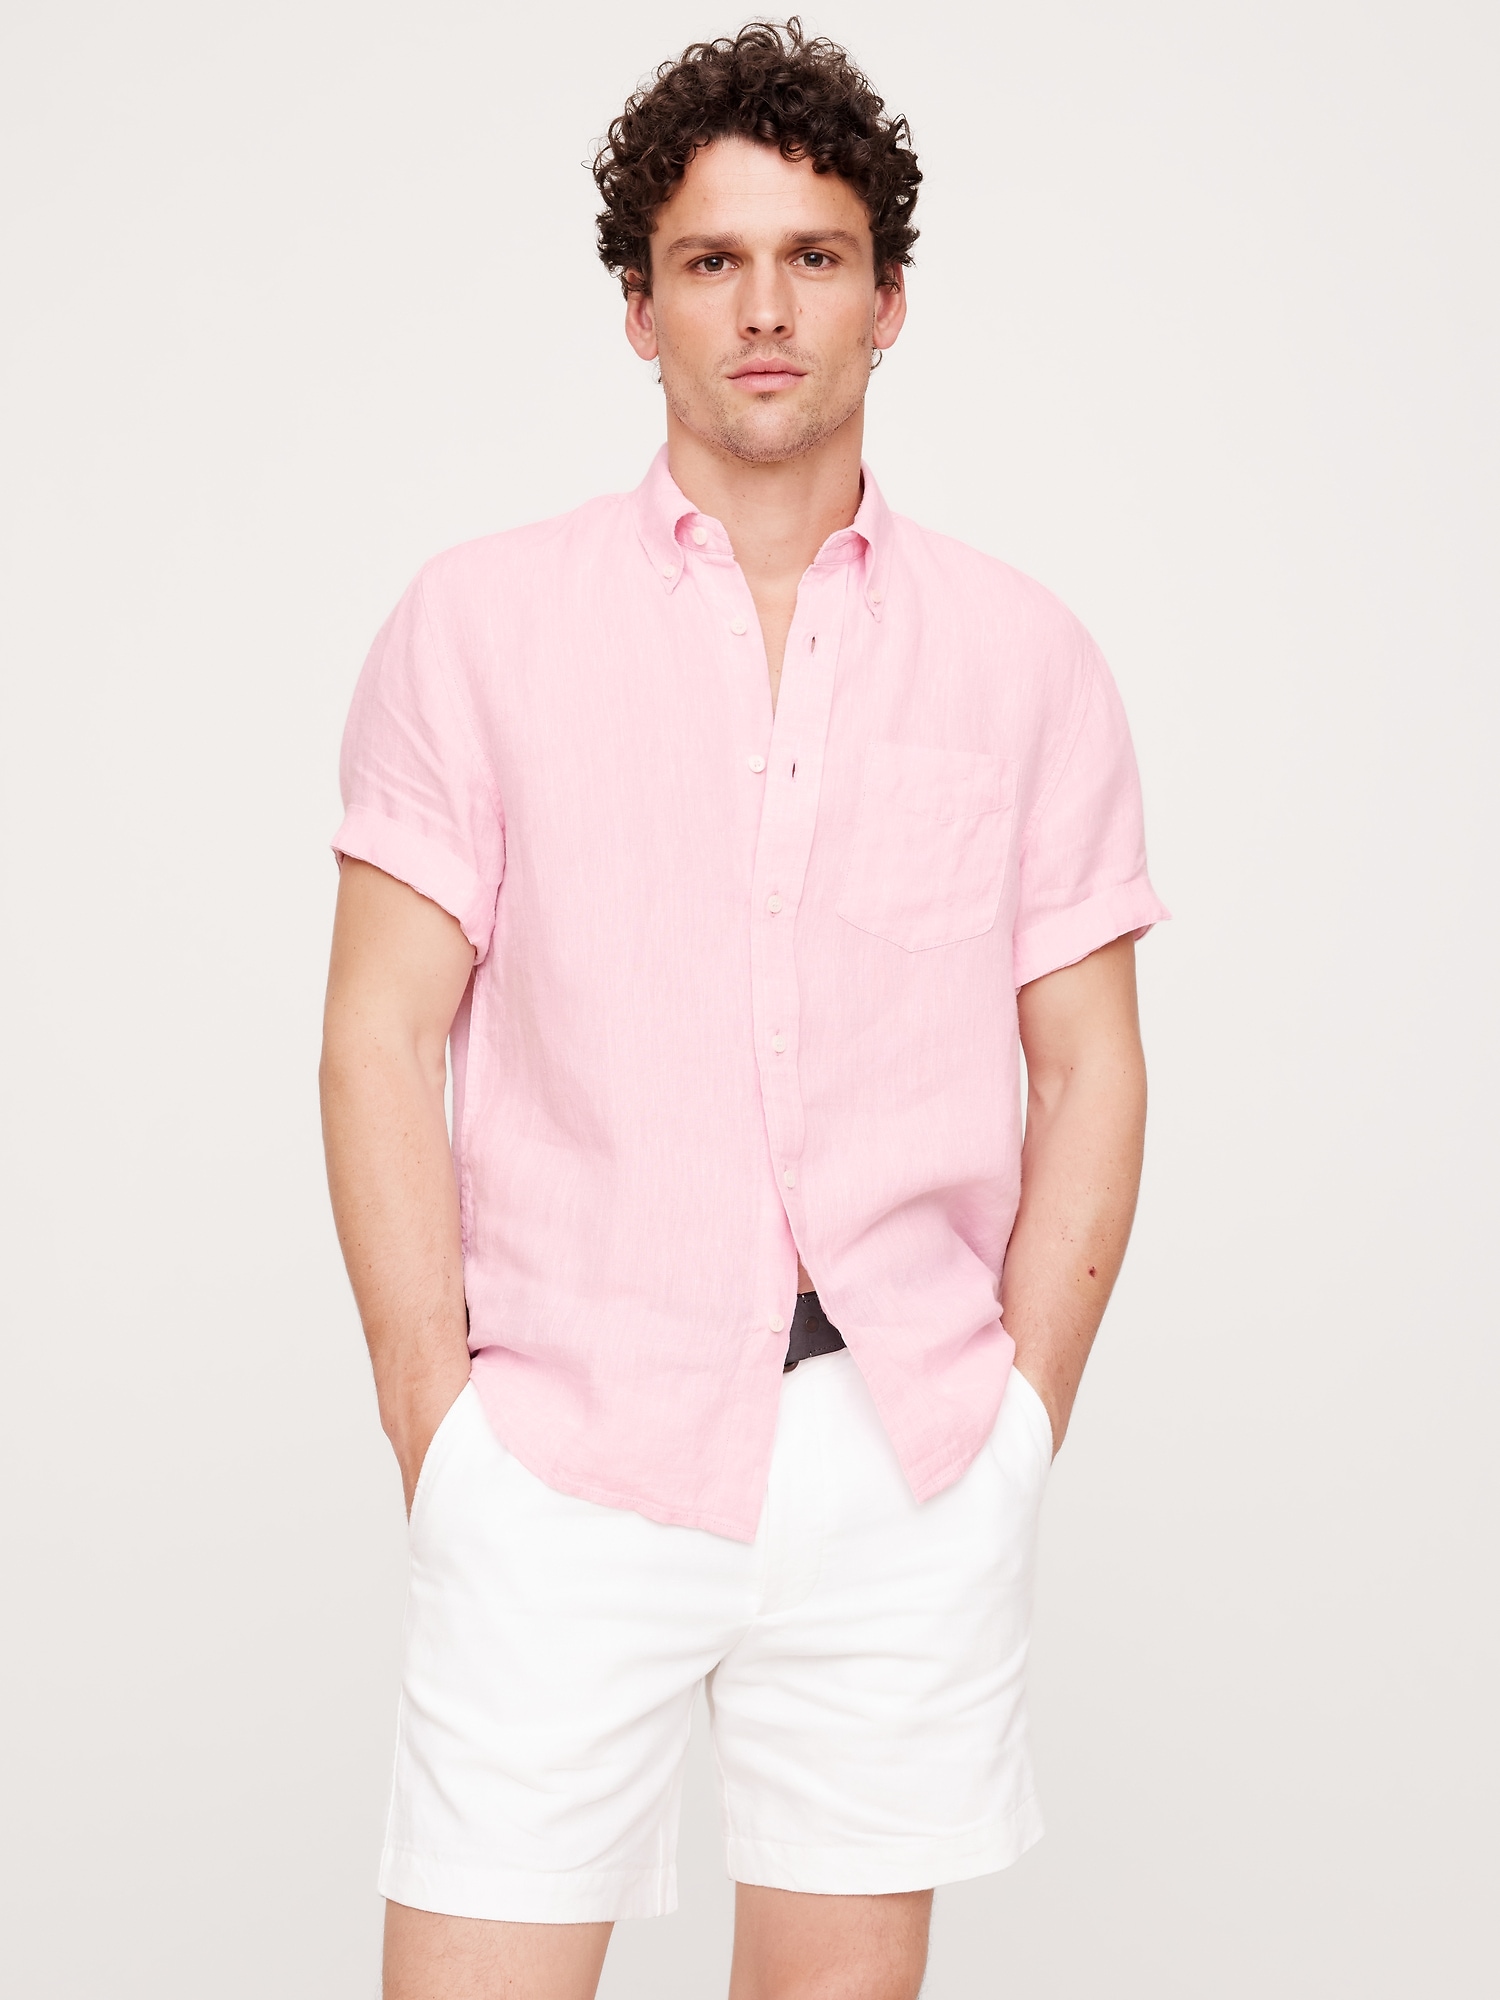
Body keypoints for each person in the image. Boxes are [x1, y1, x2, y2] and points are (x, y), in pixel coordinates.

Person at [319, 18, 1169, 1999]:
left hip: (900, 1442)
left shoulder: (1026, 660)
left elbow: (1089, 1065)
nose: (765, 310)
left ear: (890, 297)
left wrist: (1015, 1427)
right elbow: (378, 1037)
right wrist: (441, 1437)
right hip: (563, 1436)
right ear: (640, 309)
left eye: (814, 257)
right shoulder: (476, 629)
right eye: (713, 261)